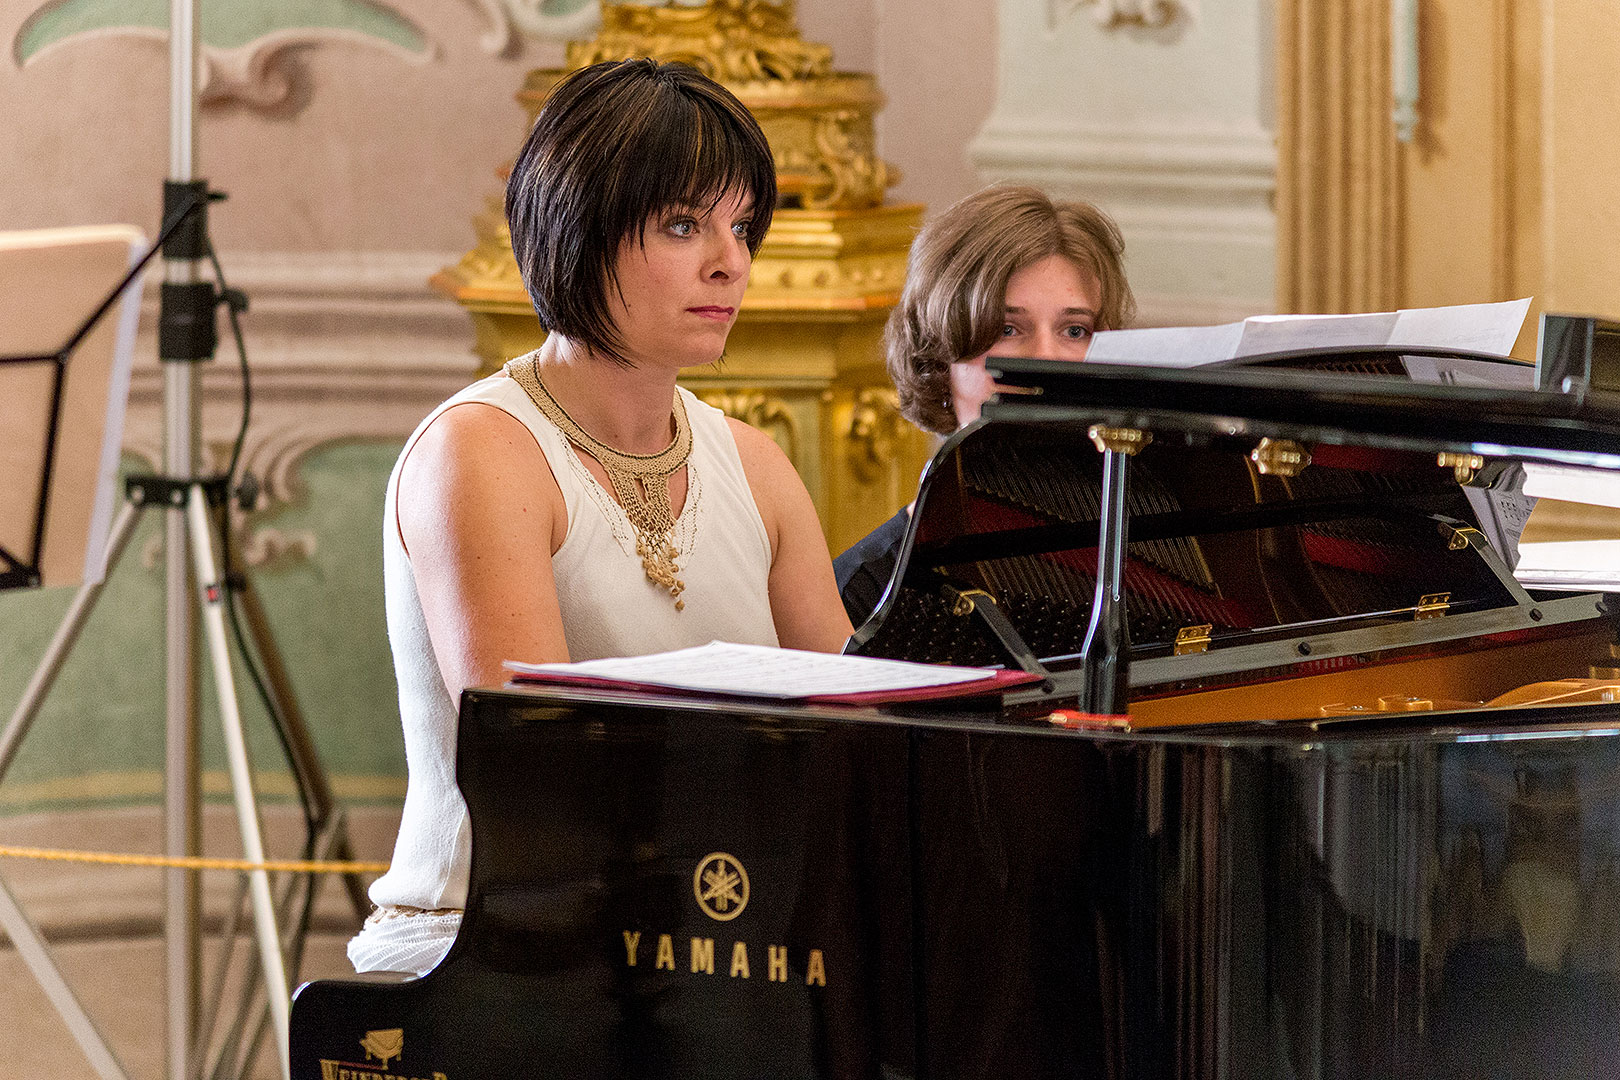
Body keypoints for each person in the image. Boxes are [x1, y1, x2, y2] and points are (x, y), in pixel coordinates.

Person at [349, 59, 852, 976]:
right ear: (577, 230)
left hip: (701, 938)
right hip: (488, 941)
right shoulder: (482, 451)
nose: (728, 260)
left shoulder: (756, 467)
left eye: (742, 226)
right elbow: (536, 772)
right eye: (682, 224)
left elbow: (857, 747)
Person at [834, 185, 1136, 627]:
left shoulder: (1146, 553)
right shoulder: (862, 594)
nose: (1045, 361)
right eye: (1009, 329)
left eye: (1075, 331)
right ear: (939, 359)